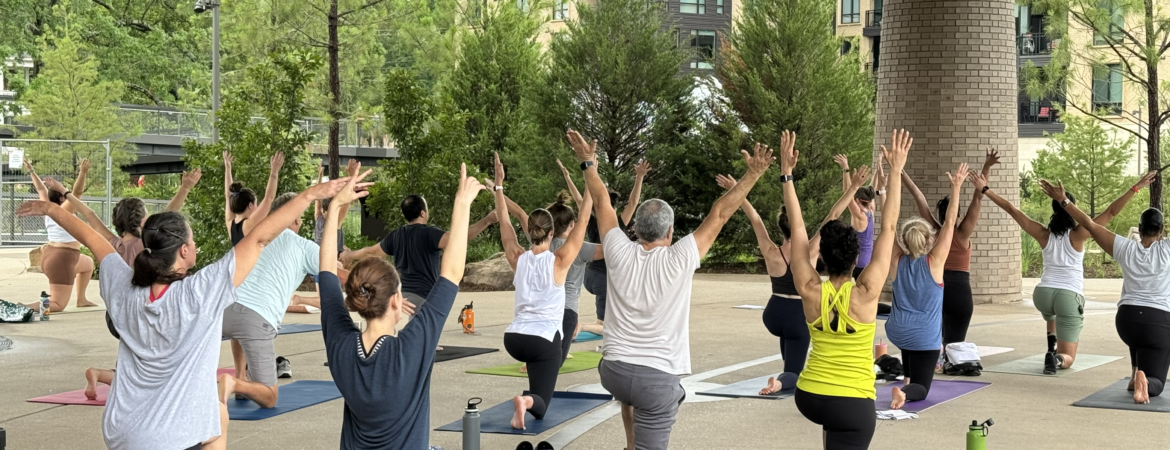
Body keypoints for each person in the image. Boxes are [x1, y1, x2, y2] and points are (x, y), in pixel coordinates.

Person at [16, 172, 353, 450]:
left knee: (217, 415)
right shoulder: (200, 293)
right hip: (176, 437)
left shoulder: (122, 285)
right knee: (217, 419)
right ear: (185, 252)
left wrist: (54, 210)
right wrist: (312, 195)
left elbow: (95, 240)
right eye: (191, 242)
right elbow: (260, 239)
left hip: (122, 434)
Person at [567, 129, 773, 450]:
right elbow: (720, 214)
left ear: (634, 229)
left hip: (613, 372)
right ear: (671, 231)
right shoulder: (680, 257)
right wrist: (753, 174)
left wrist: (588, 163)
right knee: (657, 397)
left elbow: (602, 202)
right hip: (656, 381)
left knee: (632, 395)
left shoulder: (618, 248)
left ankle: (631, 444)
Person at [319, 162, 483, 448]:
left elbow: (326, 276)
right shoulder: (411, 348)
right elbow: (453, 272)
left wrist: (334, 209)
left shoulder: (341, 345)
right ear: (396, 299)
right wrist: (462, 203)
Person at [786, 129, 911, 450]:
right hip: (851, 401)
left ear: (823, 258)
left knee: (834, 429)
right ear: (857, 257)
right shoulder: (867, 290)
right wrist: (895, 171)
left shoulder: (810, 287)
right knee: (846, 426)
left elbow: (798, 229)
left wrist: (787, 176)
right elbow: (891, 226)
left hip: (810, 395)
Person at [975, 171, 1156, 374]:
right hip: (1068, 295)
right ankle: (1057, 359)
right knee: (1069, 357)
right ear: (1072, 209)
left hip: (1043, 294)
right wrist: (1135, 187)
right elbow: (1111, 212)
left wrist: (985, 188)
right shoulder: (1079, 234)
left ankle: (1051, 348)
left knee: (1053, 313)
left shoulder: (1043, 234)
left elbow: (1011, 209)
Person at [716, 167, 873, 397]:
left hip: (774, 314)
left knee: (788, 347)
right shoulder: (808, 250)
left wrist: (736, 191)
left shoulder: (771, 251)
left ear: (781, 227)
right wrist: (853, 188)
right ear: (798, 226)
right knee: (794, 371)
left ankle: (784, 376)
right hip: (796, 316)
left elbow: (755, 218)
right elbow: (834, 215)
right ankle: (780, 383)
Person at [59, 169, 203, 399]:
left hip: (114, 316)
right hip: (140, 312)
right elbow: (170, 212)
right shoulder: (144, 244)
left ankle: (101, 375)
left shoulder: (111, 242)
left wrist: (65, 192)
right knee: (150, 360)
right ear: (143, 221)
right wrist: (185, 187)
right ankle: (130, 382)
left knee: (134, 355)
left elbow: (87, 213)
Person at [1040, 179, 1170, 404]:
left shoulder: (1125, 247)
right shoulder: (1167, 249)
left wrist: (1063, 201)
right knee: (1157, 380)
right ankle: (1145, 382)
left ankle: (1133, 374)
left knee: (1138, 338)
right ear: (1162, 230)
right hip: (1157, 321)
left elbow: (1090, 224)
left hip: (1126, 321)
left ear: (1139, 230)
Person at [491, 153, 594, 430]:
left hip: (514, 338)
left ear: (530, 232)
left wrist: (499, 187)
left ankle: (525, 401)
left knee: (537, 372)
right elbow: (583, 220)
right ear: (551, 234)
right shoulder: (559, 262)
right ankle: (525, 403)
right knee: (541, 403)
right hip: (542, 339)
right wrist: (589, 169)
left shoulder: (517, 257)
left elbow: (504, 222)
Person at [219, 192, 346, 407]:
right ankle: (235, 383)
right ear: (295, 219)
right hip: (256, 320)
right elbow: (339, 275)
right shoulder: (304, 246)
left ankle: (241, 375)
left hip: (223, 309)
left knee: (239, 327)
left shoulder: (254, 234)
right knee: (269, 397)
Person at [886, 163, 968, 409]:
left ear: (904, 240)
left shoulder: (896, 259)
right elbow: (951, 222)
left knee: (910, 348)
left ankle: (906, 378)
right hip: (923, 336)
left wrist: (884, 187)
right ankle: (905, 392)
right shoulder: (935, 262)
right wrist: (956, 188)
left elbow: (889, 224)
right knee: (921, 389)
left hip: (898, 331)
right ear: (930, 240)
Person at [903, 149, 998, 347]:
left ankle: (933, 368)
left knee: (934, 341)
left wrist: (900, 172)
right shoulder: (962, 233)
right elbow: (978, 198)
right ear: (959, 215)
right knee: (954, 346)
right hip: (959, 290)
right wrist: (987, 166)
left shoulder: (936, 233)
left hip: (935, 286)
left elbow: (919, 198)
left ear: (939, 216)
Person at [340, 195, 497, 310]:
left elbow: (369, 252)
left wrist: (350, 254)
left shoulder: (397, 234)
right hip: (423, 298)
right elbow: (460, 237)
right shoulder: (429, 234)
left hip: (399, 297)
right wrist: (487, 220)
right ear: (423, 213)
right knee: (425, 344)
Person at [559, 159, 650, 337]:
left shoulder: (592, 222)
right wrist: (639, 177)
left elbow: (579, 199)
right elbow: (633, 202)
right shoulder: (619, 225)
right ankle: (581, 326)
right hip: (603, 280)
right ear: (613, 208)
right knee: (607, 327)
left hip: (590, 277)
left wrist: (571, 176)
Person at [24, 159, 97, 311]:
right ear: (63, 198)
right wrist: (82, 173)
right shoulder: (64, 211)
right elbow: (77, 193)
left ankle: (81, 299)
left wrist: (31, 171)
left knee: (88, 263)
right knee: (57, 304)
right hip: (62, 258)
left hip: (50, 255)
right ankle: (23, 307)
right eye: (65, 193)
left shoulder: (47, 209)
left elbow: (41, 190)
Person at [832, 154, 888, 279]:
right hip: (868, 262)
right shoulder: (871, 210)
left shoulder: (859, 215)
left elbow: (848, 191)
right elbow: (872, 188)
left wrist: (846, 168)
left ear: (857, 200)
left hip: (858, 265)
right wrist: (878, 165)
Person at [224, 151, 284, 246]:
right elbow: (269, 198)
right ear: (250, 205)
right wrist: (274, 171)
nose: (257, 206)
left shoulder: (230, 223)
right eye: (256, 203)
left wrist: (228, 168)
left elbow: (228, 196)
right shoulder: (248, 225)